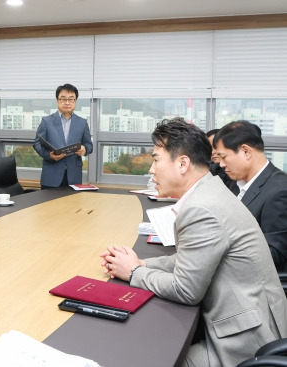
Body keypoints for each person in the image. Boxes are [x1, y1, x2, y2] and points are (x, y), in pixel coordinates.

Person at [100, 118, 287, 367]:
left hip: (246, 342)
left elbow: (185, 290)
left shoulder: (201, 208)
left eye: (156, 159)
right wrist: (143, 262)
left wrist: (134, 272)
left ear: (183, 163)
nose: (151, 170)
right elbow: (191, 259)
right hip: (254, 320)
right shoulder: (212, 189)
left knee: (147, 358)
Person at [213, 120, 287, 271]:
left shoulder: (279, 191)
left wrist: (217, 249)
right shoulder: (237, 181)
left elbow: (276, 255)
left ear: (246, 152)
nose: (221, 164)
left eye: (224, 157)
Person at [33, 83, 93, 189]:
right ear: (57, 101)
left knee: (72, 205)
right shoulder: (46, 121)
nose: (67, 102)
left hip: (74, 176)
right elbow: (37, 143)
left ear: (75, 101)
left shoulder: (82, 123)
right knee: (48, 205)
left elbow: (89, 145)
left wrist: (85, 149)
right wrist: (49, 155)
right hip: (51, 176)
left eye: (71, 99)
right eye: (63, 99)